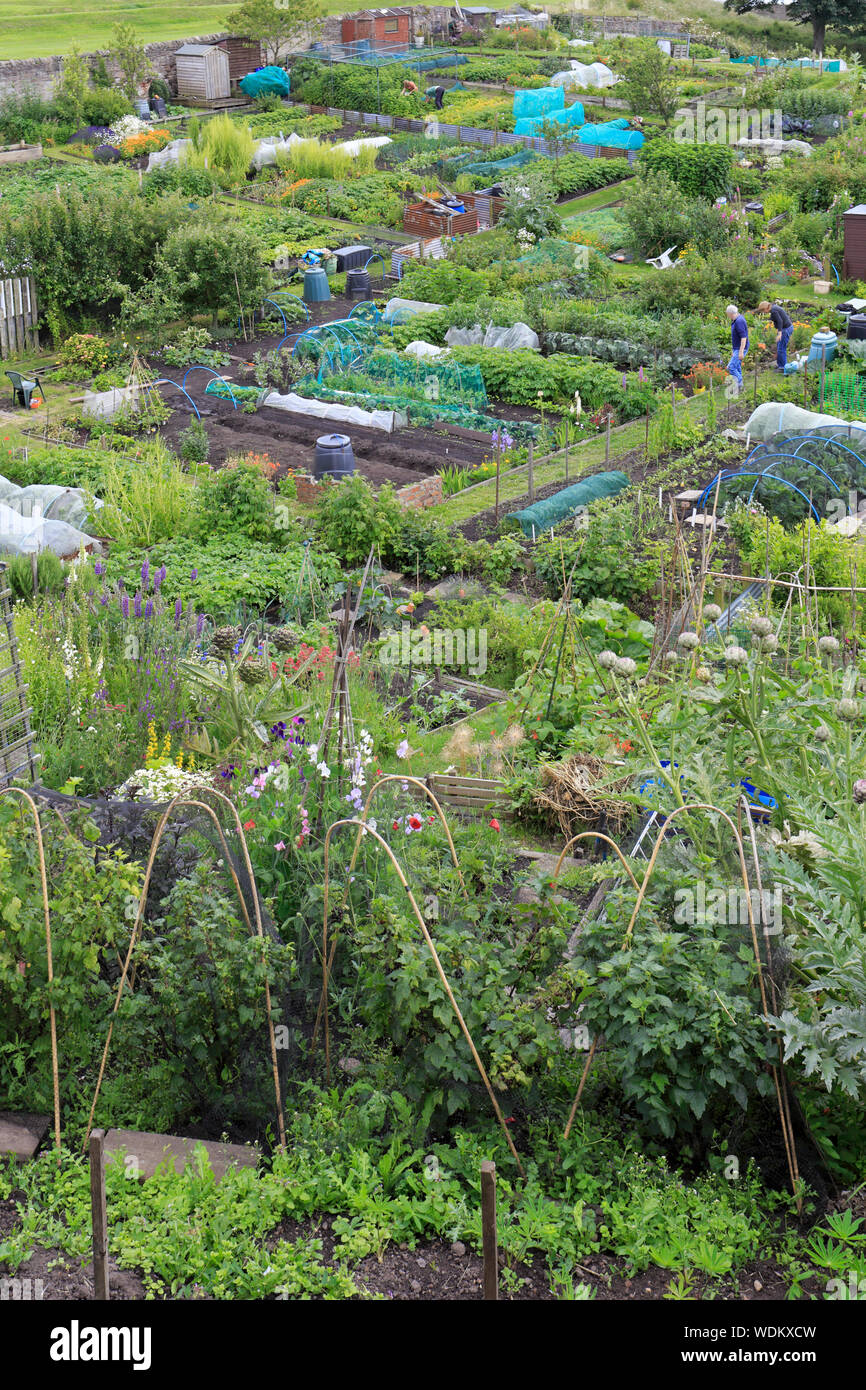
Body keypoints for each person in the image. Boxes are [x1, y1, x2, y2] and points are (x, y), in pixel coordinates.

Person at [758, 299, 794, 370]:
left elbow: (780, 321)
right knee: (779, 347)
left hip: (785, 330)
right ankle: (780, 364)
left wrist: (779, 333)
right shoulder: (774, 308)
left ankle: (783, 367)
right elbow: (776, 318)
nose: (764, 312)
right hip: (787, 328)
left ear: (766, 308)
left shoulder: (774, 311)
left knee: (781, 349)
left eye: (763, 311)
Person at [726, 304, 749, 393]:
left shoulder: (739, 321)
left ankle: (739, 385)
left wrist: (740, 352)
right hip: (737, 348)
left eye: (727, 314)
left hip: (741, 348)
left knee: (731, 367)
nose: (727, 316)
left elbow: (744, 338)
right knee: (737, 367)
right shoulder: (735, 320)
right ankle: (741, 387)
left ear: (730, 313)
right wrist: (734, 350)